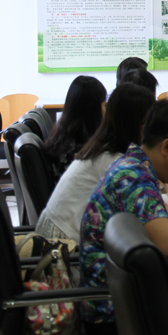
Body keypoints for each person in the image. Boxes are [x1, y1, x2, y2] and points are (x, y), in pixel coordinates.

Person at [79, 101, 168, 335]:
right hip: (112, 315)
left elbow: (151, 208)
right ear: (167, 146)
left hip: (118, 300)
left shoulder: (132, 165)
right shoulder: (134, 178)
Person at [36, 84, 155, 242]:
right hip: (63, 247)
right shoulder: (111, 159)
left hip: (59, 236)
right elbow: (146, 209)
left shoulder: (101, 147)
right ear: (135, 124)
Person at [42, 76, 107, 182]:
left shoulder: (63, 137)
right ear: (93, 111)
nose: (106, 111)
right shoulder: (81, 150)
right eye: (104, 105)